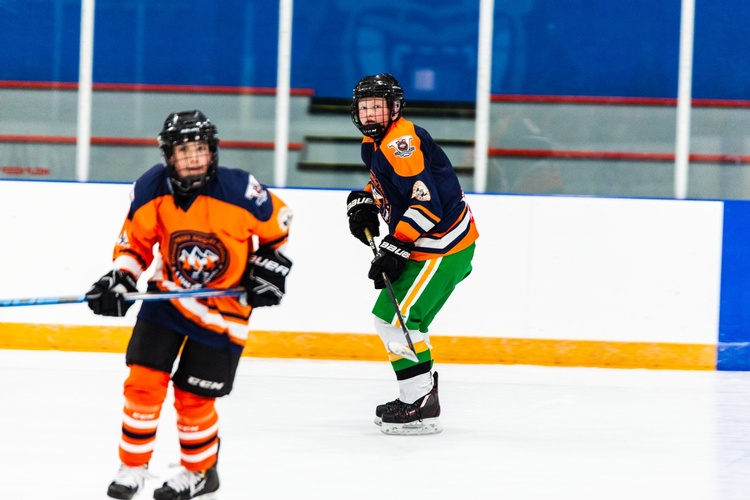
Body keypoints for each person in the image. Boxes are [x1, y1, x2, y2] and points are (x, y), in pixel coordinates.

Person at [87, 110, 293, 500]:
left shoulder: (239, 189)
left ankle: (200, 473)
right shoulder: (151, 187)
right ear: (169, 156)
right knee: (142, 386)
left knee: (194, 398)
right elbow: (134, 244)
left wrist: (268, 269)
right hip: (168, 301)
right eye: (184, 151)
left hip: (224, 312)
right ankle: (133, 466)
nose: (194, 158)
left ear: (212, 151)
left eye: (200, 149)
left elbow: (279, 225)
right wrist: (120, 278)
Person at [346, 74, 479, 435]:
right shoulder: (375, 143)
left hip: (441, 246)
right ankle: (420, 397)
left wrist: (398, 243)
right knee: (403, 322)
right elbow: (391, 186)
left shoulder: (399, 143)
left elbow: (427, 204)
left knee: (394, 321)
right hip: (434, 245)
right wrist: (366, 201)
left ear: (395, 108)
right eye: (365, 107)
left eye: (378, 106)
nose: (371, 113)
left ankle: (419, 402)